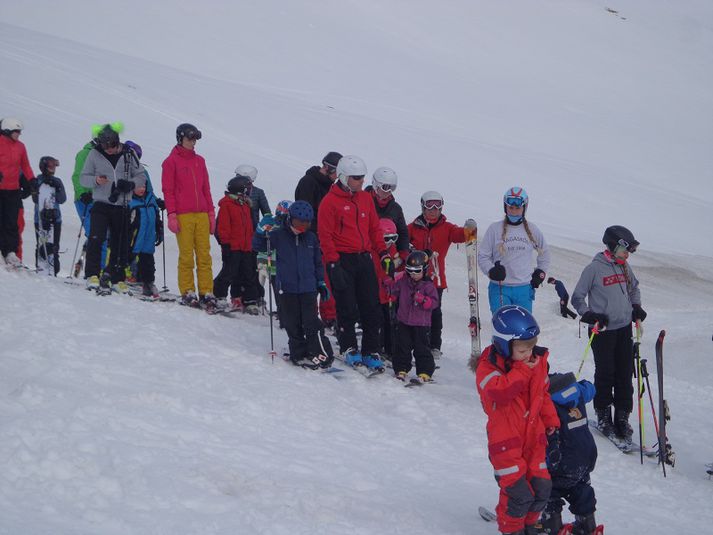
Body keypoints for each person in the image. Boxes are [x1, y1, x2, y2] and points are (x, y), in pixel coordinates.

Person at [474, 305, 559, 535]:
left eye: (531, 348)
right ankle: (512, 530)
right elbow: (499, 392)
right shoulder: (487, 369)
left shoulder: (535, 363)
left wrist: (551, 421)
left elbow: (543, 393)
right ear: (504, 344)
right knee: (519, 494)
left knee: (542, 489)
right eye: (522, 351)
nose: (529, 355)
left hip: (534, 440)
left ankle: (529, 527)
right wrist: (523, 371)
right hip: (505, 443)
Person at [571, 225, 646, 445]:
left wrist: (636, 307)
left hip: (624, 329)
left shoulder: (624, 267)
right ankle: (603, 415)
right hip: (603, 331)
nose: (628, 254)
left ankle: (622, 417)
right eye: (625, 249)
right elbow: (577, 298)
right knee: (606, 373)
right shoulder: (594, 269)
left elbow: (634, 288)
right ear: (613, 246)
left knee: (624, 374)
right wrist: (589, 315)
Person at [317, 154, 386, 370]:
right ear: (345, 177)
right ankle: (348, 346)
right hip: (342, 259)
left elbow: (374, 228)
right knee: (346, 306)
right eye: (357, 178)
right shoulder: (330, 202)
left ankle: (370, 349)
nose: (361, 181)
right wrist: (332, 263)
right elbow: (324, 235)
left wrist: (383, 253)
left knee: (370, 306)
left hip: (364, 258)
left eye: (363, 177)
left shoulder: (365, 198)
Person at [253, 200, 334, 369]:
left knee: (311, 322)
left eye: (307, 223)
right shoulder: (278, 235)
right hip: (287, 288)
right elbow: (259, 246)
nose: (302, 227)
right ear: (290, 219)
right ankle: (299, 353)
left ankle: (321, 353)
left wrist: (321, 281)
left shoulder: (311, 238)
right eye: (299, 222)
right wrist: (261, 232)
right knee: (292, 323)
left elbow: (318, 262)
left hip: (308, 288)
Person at [408, 190, 476, 358]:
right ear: (423, 207)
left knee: (435, 311)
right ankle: (414, 342)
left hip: (435, 279)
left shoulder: (447, 228)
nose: (433, 210)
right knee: (414, 310)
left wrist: (470, 229)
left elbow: (461, 235)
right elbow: (403, 243)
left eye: (437, 206)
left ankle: (434, 345)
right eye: (429, 206)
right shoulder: (413, 228)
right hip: (415, 277)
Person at [80, 124, 147, 294]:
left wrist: (131, 185)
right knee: (96, 238)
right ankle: (92, 274)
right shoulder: (94, 154)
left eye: (110, 146)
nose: (108, 150)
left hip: (122, 204)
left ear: (117, 142)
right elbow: (83, 178)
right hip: (101, 203)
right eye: (104, 146)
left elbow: (141, 176)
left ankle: (117, 278)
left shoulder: (128, 154)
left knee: (121, 242)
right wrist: (96, 180)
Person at [161, 123, 217, 308]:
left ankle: (206, 292)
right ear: (180, 139)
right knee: (186, 255)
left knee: (204, 255)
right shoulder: (170, 162)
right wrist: (172, 214)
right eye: (189, 139)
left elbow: (205, 189)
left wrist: (210, 213)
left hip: (201, 214)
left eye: (194, 139)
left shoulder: (200, 161)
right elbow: (168, 191)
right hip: (183, 215)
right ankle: (187, 291)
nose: (193, 143)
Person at [539, 372, 598, 535]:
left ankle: (551, 523)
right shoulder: (577, 390)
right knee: (580, 487)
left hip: (564, 459)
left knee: (549, 487)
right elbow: (591, 388)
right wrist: (578, 384)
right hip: (587, 455)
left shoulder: (547, 401)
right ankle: (587, 524)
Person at [478, 187, 550, 315]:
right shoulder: (494, 229)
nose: (514, 212)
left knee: (523, 331)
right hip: (500, 288)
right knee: (504, 326)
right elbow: (483, 256)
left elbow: (544, 253)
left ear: (524, 208)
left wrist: (540, 272)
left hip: (523, 289)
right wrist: (491, 271)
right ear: (505, 207)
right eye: (511, 208)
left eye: (517, 208)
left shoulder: (532, 230)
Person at [295, 151, 342, 328]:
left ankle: (330, 315)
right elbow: (303, 213)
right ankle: (309, 315)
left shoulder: (331, 186)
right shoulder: (308, 182)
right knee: (310, 278)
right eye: (338, 172)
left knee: (327, 278)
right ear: (330, 169)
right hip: (310, 238)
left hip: (326, 239)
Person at [383, 250, 439, 382]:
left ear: (424, 269)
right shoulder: (404, 282)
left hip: (421, 324)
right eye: (410, 271)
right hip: (404, 322)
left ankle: (425, 371)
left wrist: (423, 300)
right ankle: (401, 368)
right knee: (402, 346)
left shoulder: (428, 286)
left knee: (421, 348)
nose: (413, 274)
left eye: (417, 271)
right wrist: (388, 284)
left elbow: (434, 303)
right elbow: (394, 289)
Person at [213, 175, 260, 314]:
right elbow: (223, 227)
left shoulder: (245, 204)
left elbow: (249, 226)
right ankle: (219, 295)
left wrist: (253, 243)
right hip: (232, 247)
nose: (248, 192)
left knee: (248, 273)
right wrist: (225, 244)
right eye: (246, 189)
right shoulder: (227, 204)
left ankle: (250, 299)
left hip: (246, 246)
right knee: (229, 272)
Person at [125, 141, 162, 298]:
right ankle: (125, 274)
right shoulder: (124, 171)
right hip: (135, 223)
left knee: (147, 254)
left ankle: (147, 281)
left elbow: (149, 191)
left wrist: (158, 225)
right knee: (130, 249)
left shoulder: (142, 172)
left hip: (147, 223)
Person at [0, 118, 35, 266]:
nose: (19, 134)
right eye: (16, 131)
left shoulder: (21, 147)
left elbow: (25, 165)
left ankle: (10, 252)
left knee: (12, 222)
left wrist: (32, 180)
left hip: (13, 190)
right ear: (7, 130)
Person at [365, 167, 410, 262]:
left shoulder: (395, 208)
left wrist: (403, 252)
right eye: (385, 187)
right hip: (366, 251)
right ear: (376, 185)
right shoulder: (362, 202)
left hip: (387, 252)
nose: (388, 191)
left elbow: (403, 232)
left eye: (392, 188)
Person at [33, 156, 66, 275]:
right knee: (41, 244)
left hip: (55, 219)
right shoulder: (38, 180)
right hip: (40, 219)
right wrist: (36, 187)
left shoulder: (58, 181)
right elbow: (35, 199)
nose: (53, 169)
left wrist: (57, 187)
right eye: (51, 166)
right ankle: (41, 265)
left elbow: (62, 199)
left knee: (54, 246)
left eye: (54, 166)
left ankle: (54, 269)